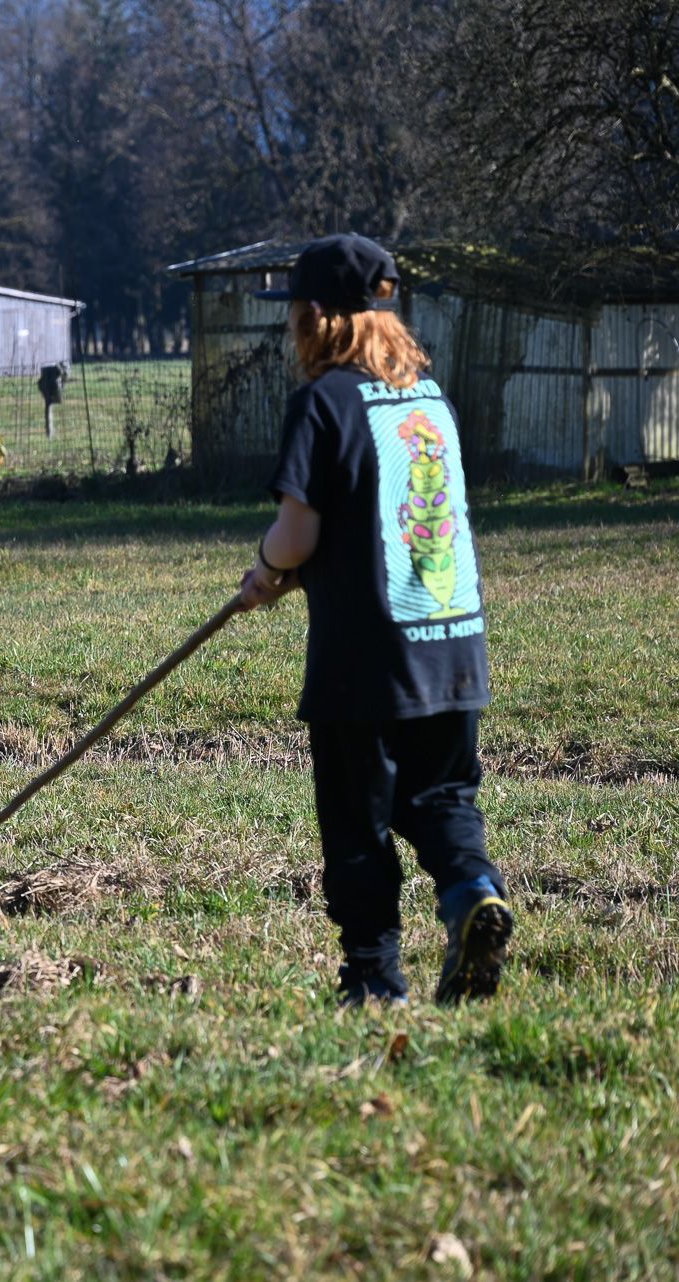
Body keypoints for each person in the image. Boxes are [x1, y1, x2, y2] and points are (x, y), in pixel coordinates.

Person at [240, 233, 513, 1008]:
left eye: (294, 310)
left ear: (318, 316)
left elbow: (298, 534)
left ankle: (373, 976)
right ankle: (472, 893)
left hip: (366, 659)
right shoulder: (430, 401)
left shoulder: (322, 402)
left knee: (357, 820)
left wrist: (267, 570)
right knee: (443, 799)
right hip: (451, 644)